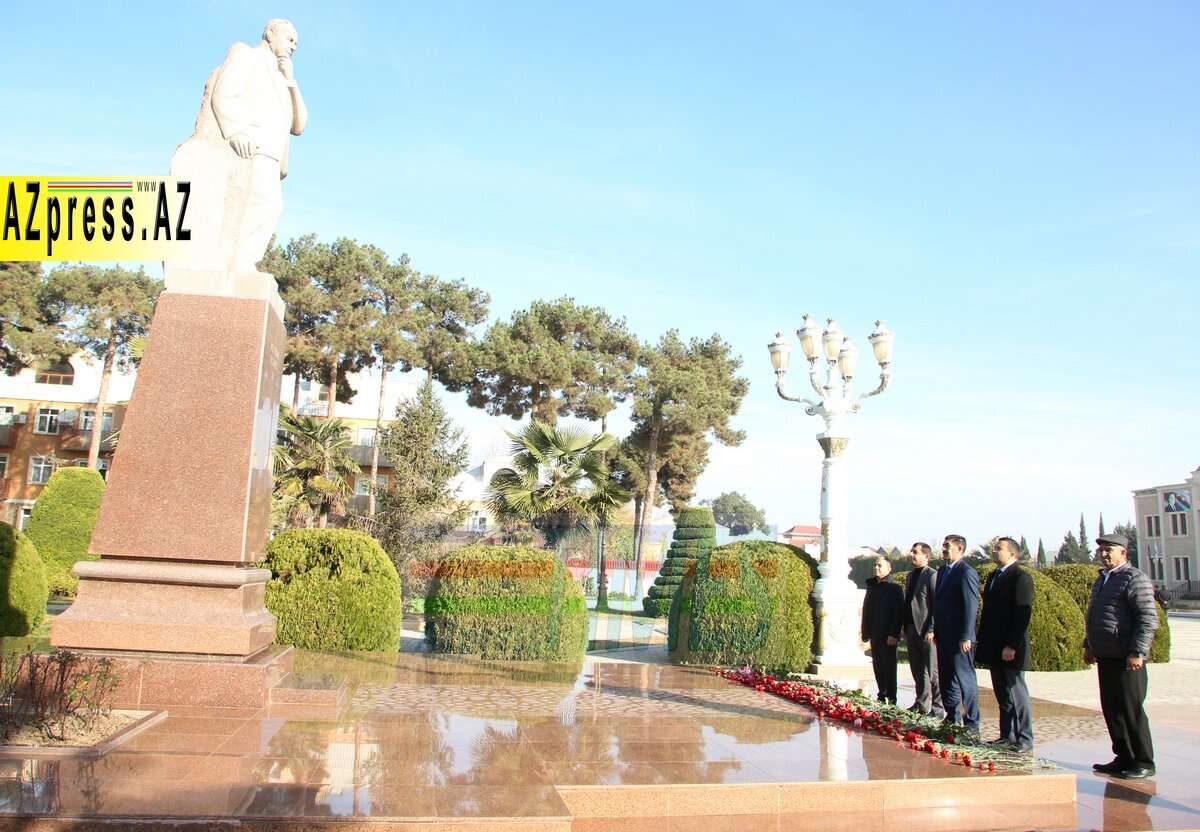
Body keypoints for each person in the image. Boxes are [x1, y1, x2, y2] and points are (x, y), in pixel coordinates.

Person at [175, 19, 309, 274]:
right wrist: (235, 131)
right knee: (253, 205)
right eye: (290, 39)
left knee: (269, 207)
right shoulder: (246, 54)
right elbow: (224, 93)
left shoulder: (282, 78)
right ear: (270, 34)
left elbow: (299, 124)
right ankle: (236, 266)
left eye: (296, 43)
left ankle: (241, 264)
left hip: (271, 155)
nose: (293, 46)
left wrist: (291, 81)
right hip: (248, 149)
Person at [1086, 533, 1158, 779]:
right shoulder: (1103, 579)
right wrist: (1089, 645)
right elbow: (1096, 616)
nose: (1104, 554)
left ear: (1123, 553)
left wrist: (1138, 651)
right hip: (1106, 655)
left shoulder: (1134, 578)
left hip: (1127, 658)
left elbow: (1147, 618)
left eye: (1109, 550)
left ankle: (1144, 761)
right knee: (1112, 709)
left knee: (1131, 709)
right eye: (1102, 550)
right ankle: (1124, 756)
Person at [976, 537, 1035, 752]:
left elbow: (1022, 615)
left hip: (1011, 647)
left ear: (1012, 553)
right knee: (1002, 694)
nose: (994, 551)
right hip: (994, 644)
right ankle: (1007, 735)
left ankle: (1024, 737)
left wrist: (1011, 645)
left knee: (1016, 693)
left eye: (998, 548)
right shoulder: (994, 576)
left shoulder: (1020, 577)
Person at [934, 534, 980, 733]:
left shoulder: (966, 572)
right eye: (943, 546)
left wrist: (966, 635)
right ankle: (952, 716)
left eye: (947, 546)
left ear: (960, 549)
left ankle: (972, 723)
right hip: (944, 635)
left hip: (960, 637)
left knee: (964, 679)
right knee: (946, 678)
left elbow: (971, 605)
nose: (944, 549)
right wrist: (936, 630)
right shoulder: (943, 571)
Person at [902, 542, 944, 717]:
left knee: (932, 670)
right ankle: (921, 703)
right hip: (912, 628)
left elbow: (936, 604)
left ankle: (938, 707)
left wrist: (932, 628)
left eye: (916, 552)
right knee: (918, 669)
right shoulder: (911, 576)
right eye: (912, 551)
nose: (912, 555)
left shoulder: (932, 575)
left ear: (926, 556)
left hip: (926, 630)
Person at [861, 557, 904, 704]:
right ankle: (881, 693)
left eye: (880, 565)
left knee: (889, 666)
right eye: (875, 565)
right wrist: (865, 633)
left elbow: (898, 613)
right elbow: (867, 610)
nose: (876, 568)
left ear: (889, 569)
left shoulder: (895, 588)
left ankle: (891, 697)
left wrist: (894, 634)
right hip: (874, 632)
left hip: (888, 634)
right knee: (878, 665)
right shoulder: (872, 586)